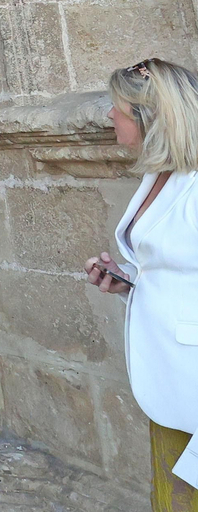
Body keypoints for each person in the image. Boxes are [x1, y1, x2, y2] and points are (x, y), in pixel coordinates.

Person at [86, 58, 198, 509]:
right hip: (167, 376)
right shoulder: (161, 173)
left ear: (147, 113)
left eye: (117, 106)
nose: (109, 115)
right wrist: (128, 281)